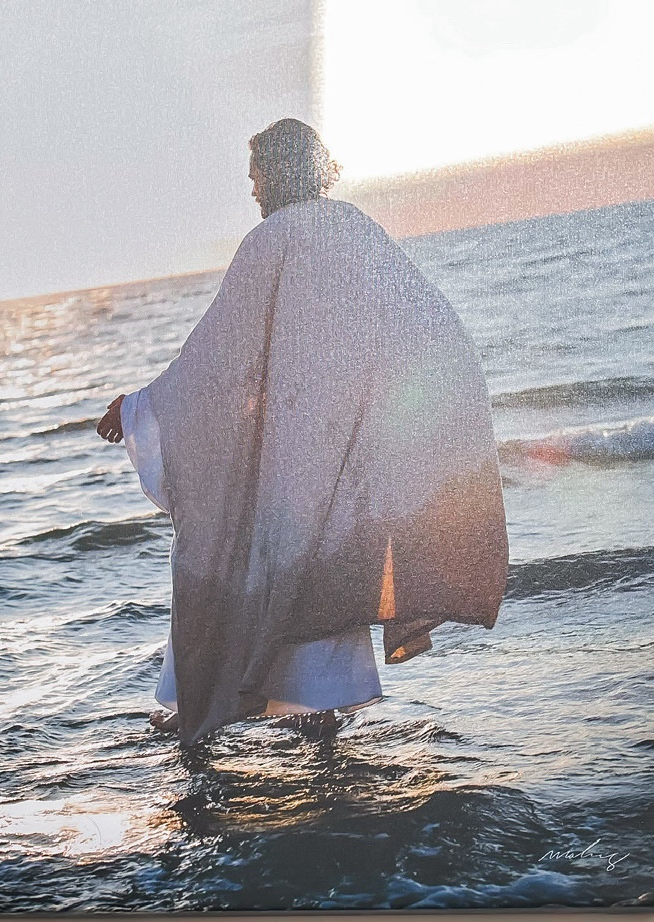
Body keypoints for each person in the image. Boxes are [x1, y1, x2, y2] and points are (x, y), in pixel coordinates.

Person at [98, 116, 507, 749]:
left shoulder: (271, 240)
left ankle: (203, 721)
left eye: (258, 176)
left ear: (283, 174)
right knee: (327, 572)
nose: (254, 191)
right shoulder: (355, 230)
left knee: (228, 561)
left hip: (288, 463)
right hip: (338, 455)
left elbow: (213, 363)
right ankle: (322, 724)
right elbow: (423, 323)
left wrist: (137, 411)